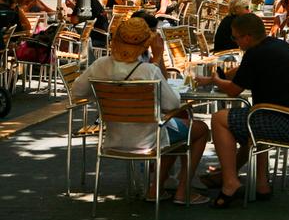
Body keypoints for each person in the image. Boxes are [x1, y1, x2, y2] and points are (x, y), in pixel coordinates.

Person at [73, 18, 210, 205]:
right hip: (150, 139)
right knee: (199, 129)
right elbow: (172, 104)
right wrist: (158, 56)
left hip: (114, 137)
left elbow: (78, 91)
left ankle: (157, 187)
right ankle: (182, 190)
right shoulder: (148, 71)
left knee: (175, 130)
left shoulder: (100, 65)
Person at [195, 14, 289, 207]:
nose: (234, 41)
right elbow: (242, 72)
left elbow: (234, 90)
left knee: (219, 119)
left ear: (247, 37)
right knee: (252, 124)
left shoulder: (255, 53)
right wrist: (216, 78)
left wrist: (216, 81)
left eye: (235, 37)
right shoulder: (276, 45)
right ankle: (260, 184)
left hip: (286, 123)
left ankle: (229, 181)